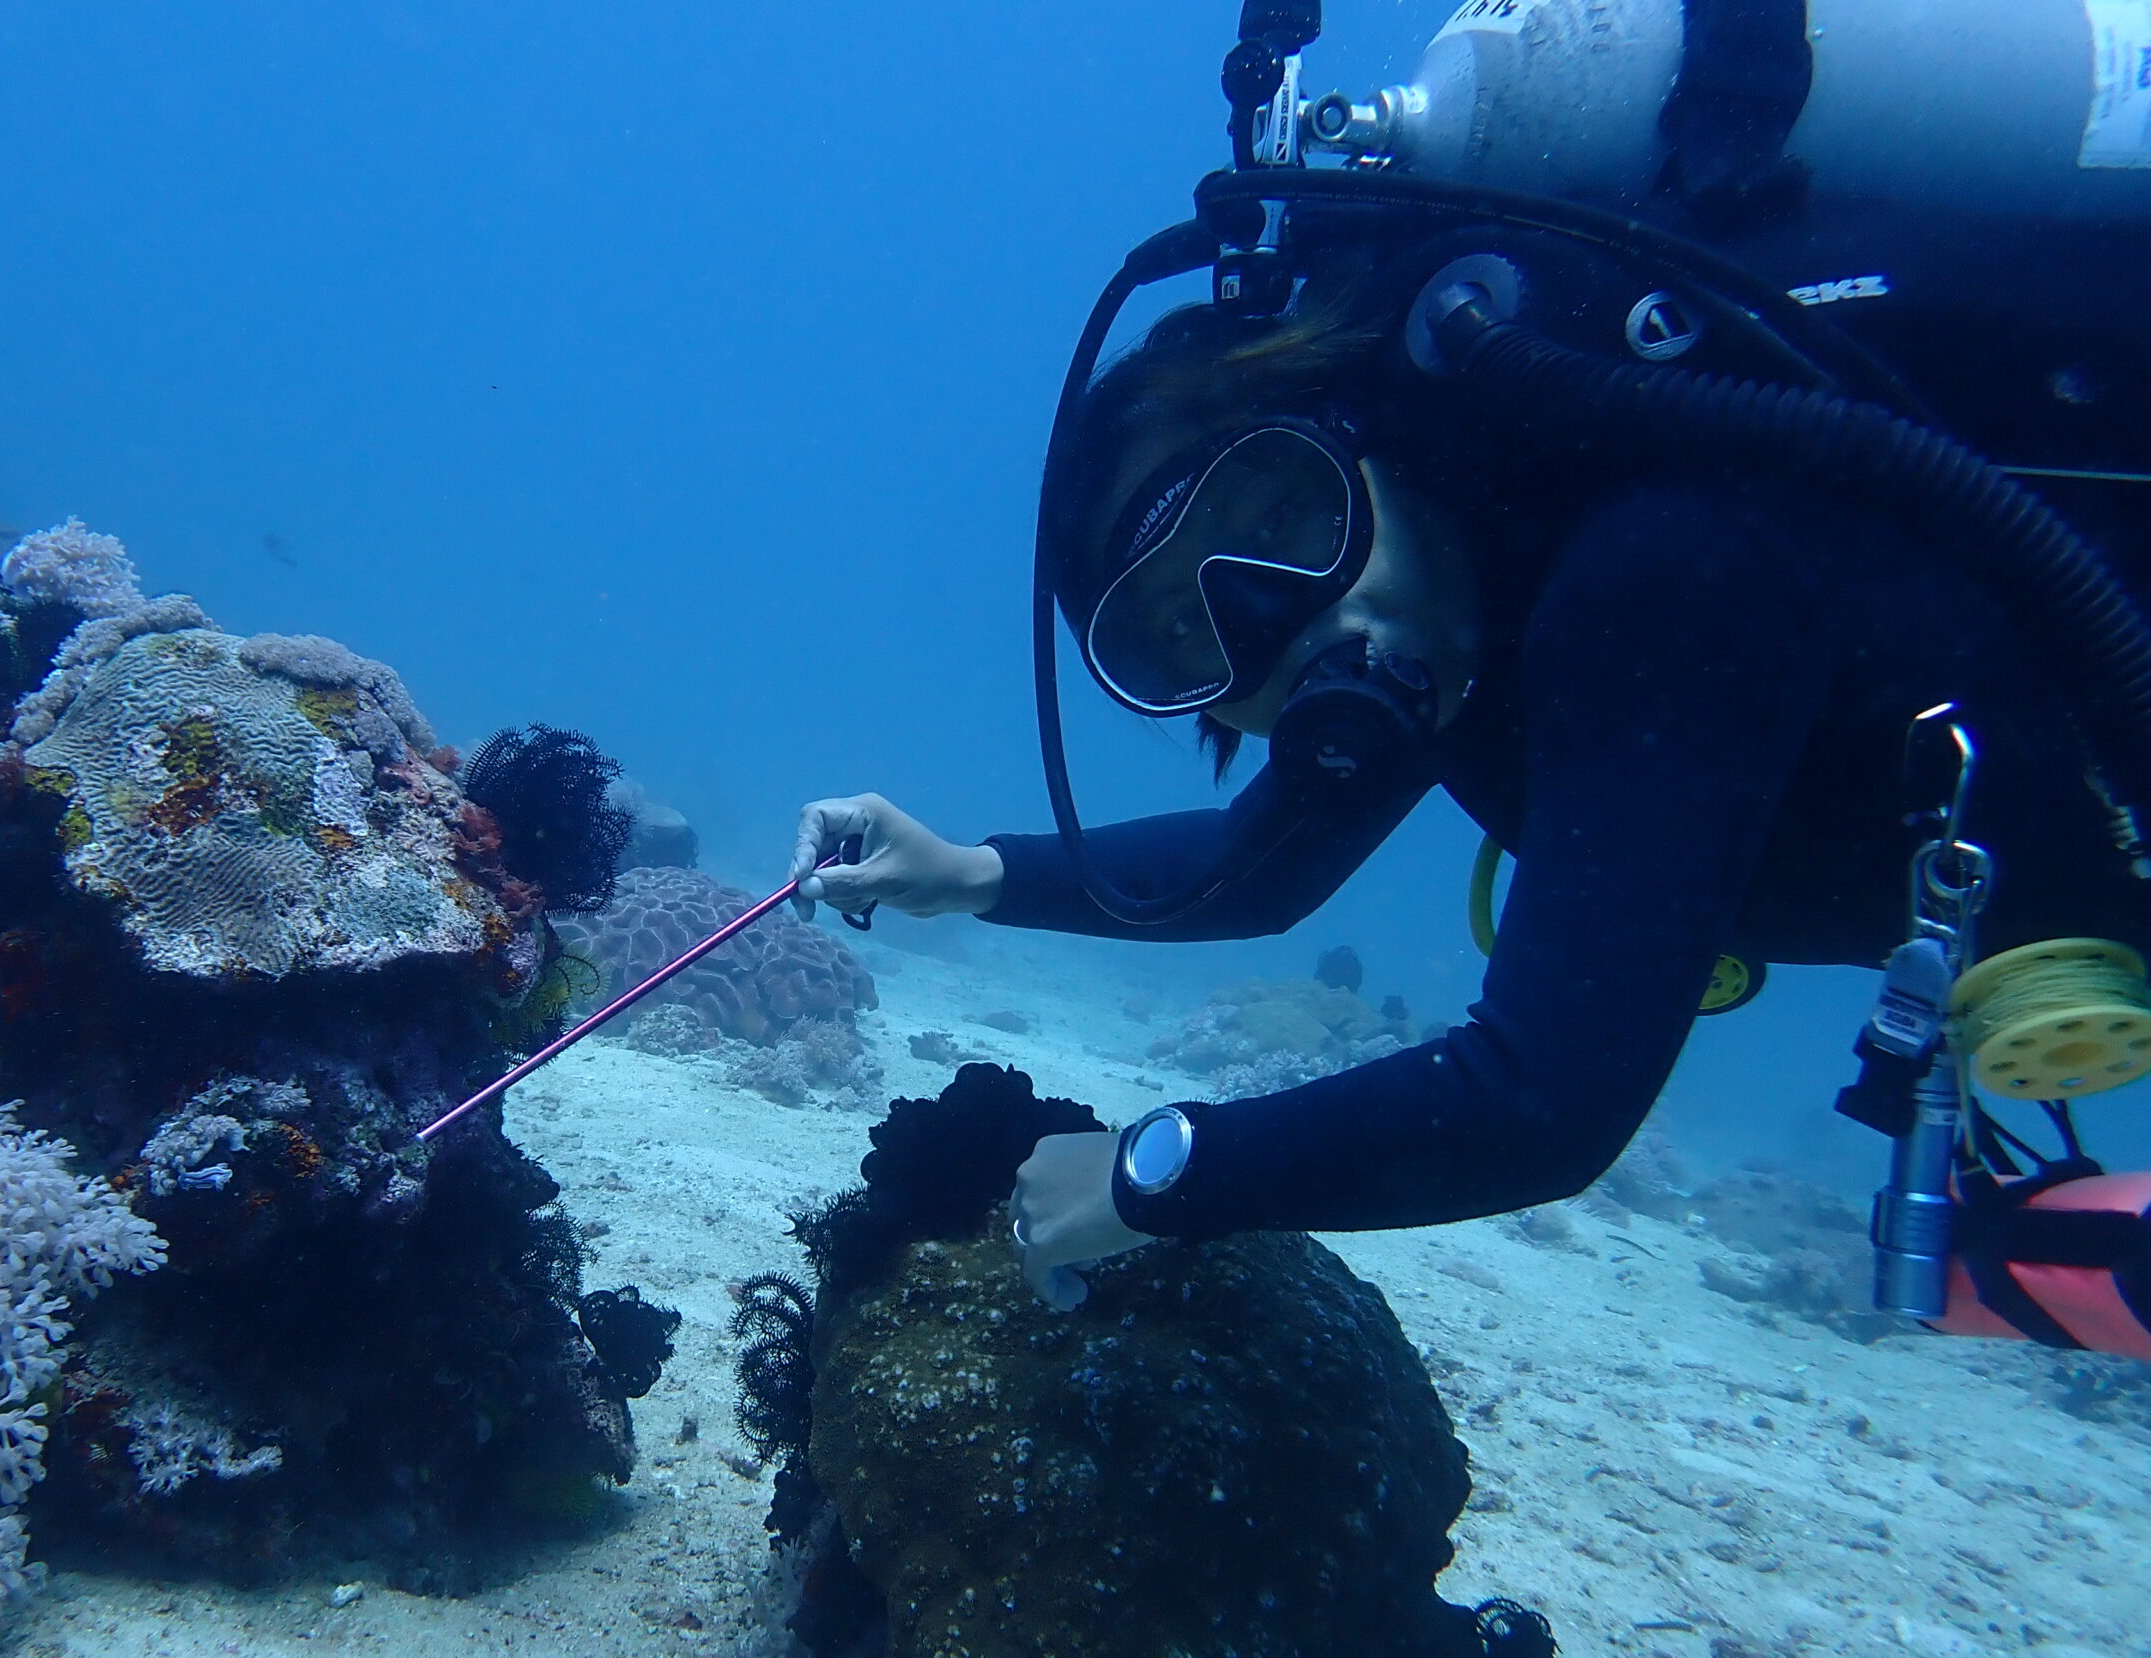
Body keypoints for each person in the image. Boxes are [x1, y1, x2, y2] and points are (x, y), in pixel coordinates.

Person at [786, 272, 2151, 1308]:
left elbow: (1538, 1105)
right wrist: (966, 871)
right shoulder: (1461, 605)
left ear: (1361, 432)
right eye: (1185, 632)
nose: (1279, 613)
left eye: (1274, 515)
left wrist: (1148, 1177)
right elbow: (1256, 869)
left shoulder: (1648, 573)